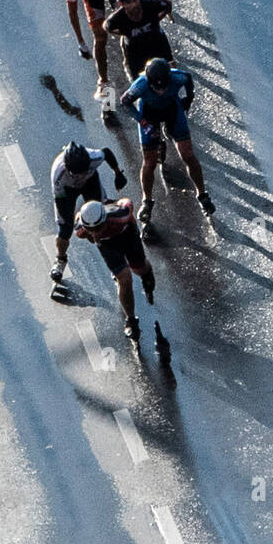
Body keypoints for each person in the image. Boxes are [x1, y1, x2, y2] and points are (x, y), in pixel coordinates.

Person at [121, 57, 214, 226]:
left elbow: (188, 79)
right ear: (149, 82)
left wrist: (189, 99)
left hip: (172, 110)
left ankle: (202, 194)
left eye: (164, 86)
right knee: (149, 163)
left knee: (188, 155)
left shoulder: (178, 76)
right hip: (149, 115)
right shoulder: (140, 85)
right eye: (157, 88)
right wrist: (142, 122)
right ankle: (147, 201)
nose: (162, 91)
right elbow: (124, 102)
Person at [73, 198, 155, 341]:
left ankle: (146, 274)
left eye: (98, 227)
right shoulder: (81, 230)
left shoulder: (120, 215)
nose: (95, 232)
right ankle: (131, 320)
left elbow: (127, 202)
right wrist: (93, 235)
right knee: (124, 278)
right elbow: (79, 216)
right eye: (91, 230)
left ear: (104, 219)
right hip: (107, 245)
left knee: (139, 268)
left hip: (128, 235)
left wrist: (115, 202)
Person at [49, 140, 127, 284]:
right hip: (67, 191)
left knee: (100, 224)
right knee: (64, 230)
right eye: (78, 173)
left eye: (85, 170)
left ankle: (113, 263)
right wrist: (70, 222)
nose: (82, 174)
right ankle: (60, 259)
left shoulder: (94, 157)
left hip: (90, 184)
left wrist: (117, 173)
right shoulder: (58, 173)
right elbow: (61, 204)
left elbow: (107, 152)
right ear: (67, 168)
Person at [64, 0, 132, 96]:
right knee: (100, 37)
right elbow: (72, 14)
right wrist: (81, 42)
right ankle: (103, 81)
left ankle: (129, 59)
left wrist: (137, 1)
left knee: (126, 22)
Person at [106, 0, 174, 81]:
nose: (134, 5)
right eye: (128, 2)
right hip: (135, 50)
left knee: (171, 70)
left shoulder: (151, 4)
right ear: (121, 3)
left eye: (135, 0)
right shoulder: (116, 19)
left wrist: (157, 19)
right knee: (138, 80)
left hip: (157, 41)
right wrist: (125, 32)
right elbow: (108, 27)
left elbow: (167, 4)